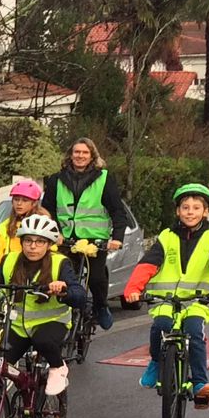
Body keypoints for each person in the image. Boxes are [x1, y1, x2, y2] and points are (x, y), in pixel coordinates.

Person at [122, 182, 209, 407]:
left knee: (194, 330)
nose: (190, 212)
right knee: (160, 326)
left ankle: (200, 383)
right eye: (185, 207)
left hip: (198, 301)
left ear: (205, 211)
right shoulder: (166, 237)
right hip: (165, 299)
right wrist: (133, 290)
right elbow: (148, 265)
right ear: (177, 211)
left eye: (195, 207)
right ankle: (155, 363)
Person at [0, 212, 85, 413]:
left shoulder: (60, 263)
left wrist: (63, 289)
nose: (33, 246)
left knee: (42, 340)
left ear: (49, 244)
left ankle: (58, 368)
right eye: (28, 241)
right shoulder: (10, 260)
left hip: (52, 323)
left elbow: (79, 296)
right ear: (22, 242)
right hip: (18, 326)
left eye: (40, 242)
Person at [42, 137, 132, 331]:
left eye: (84, 152)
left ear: (92, 156)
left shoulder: (104, 178)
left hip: (95, 240)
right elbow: (47, 210)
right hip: (65, 238)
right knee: (64, 277)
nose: (80, 156)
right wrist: (53, 232)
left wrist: (116, 238)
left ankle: (100, 306)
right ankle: (61, 313)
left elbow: (117, 210)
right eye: (77, 152)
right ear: (70, 155)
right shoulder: (56, 179)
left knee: (96, 277)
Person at [0, 177, 50, 279]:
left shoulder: (44, 224)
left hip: (37, 277)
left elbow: (51, 254)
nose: (19, 203)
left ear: (34, 203)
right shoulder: (4, 227)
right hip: (10, 278)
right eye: (16, 199)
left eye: (24, 200)